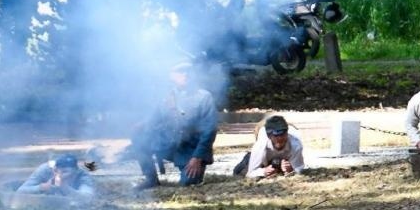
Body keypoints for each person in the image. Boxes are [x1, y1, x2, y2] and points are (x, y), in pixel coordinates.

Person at [131, 61, 218, 189]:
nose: (185, 75)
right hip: (169, 145)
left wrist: (197, 157)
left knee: (188, 183)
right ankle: (150, 178)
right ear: (171, 76)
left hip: (190, 150)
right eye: (180, 72)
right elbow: (153, 120)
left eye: (188, 71)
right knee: (139, 136)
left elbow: (209, 131)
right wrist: (140, 127)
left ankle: (192, 171)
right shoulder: (165, 96)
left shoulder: (204, 97)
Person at [13, 152, 96, 206]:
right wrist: (41, 187)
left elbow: (87, 198)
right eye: (56, 171)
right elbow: (21, 191)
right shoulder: (45, 169)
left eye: (65, 172)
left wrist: (66, 188)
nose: (59, 175)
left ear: (75, 171)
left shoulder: (82, 175)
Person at [236, 115, 305, 179]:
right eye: (276, 136)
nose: (280, 138)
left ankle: (278, 163)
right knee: (239, 171)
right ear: (269, 136)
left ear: (287, 133)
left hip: (287, 130)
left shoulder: (296, 145)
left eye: (282, 134)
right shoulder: (260, 145)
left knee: (279, 167)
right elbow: (250, 173)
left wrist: (291, 169)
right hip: (262, 127)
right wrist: (263, 171)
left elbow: (299, 168)